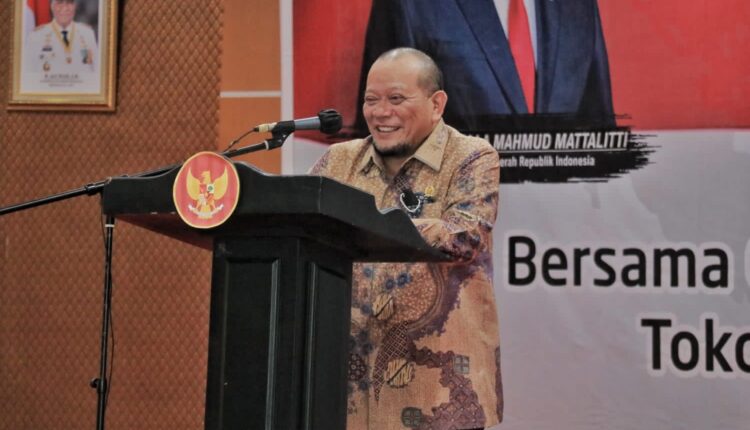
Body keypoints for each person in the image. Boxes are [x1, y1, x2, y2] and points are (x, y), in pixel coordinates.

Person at [310, 48, 502, 430]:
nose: (381, 112)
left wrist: (368, 223)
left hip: (441, 393)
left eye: (396, 99)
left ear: (436, 104)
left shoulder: (471, 156)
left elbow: (466, 237)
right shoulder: (338, 162)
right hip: (345, 391)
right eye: (371, 100)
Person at [355, 0, 615, 133]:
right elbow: (384, 134)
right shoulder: (410, 4)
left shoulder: (578, 5)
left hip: (559, 216)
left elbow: (601, 132)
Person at [24, 0, 98, 74]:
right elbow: (28, 73)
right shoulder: (36, 36)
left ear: (75, 6)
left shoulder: (87, 34)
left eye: (69, 3)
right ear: (52, 6)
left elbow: (97, 72)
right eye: (59, 3)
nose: (65, 8)